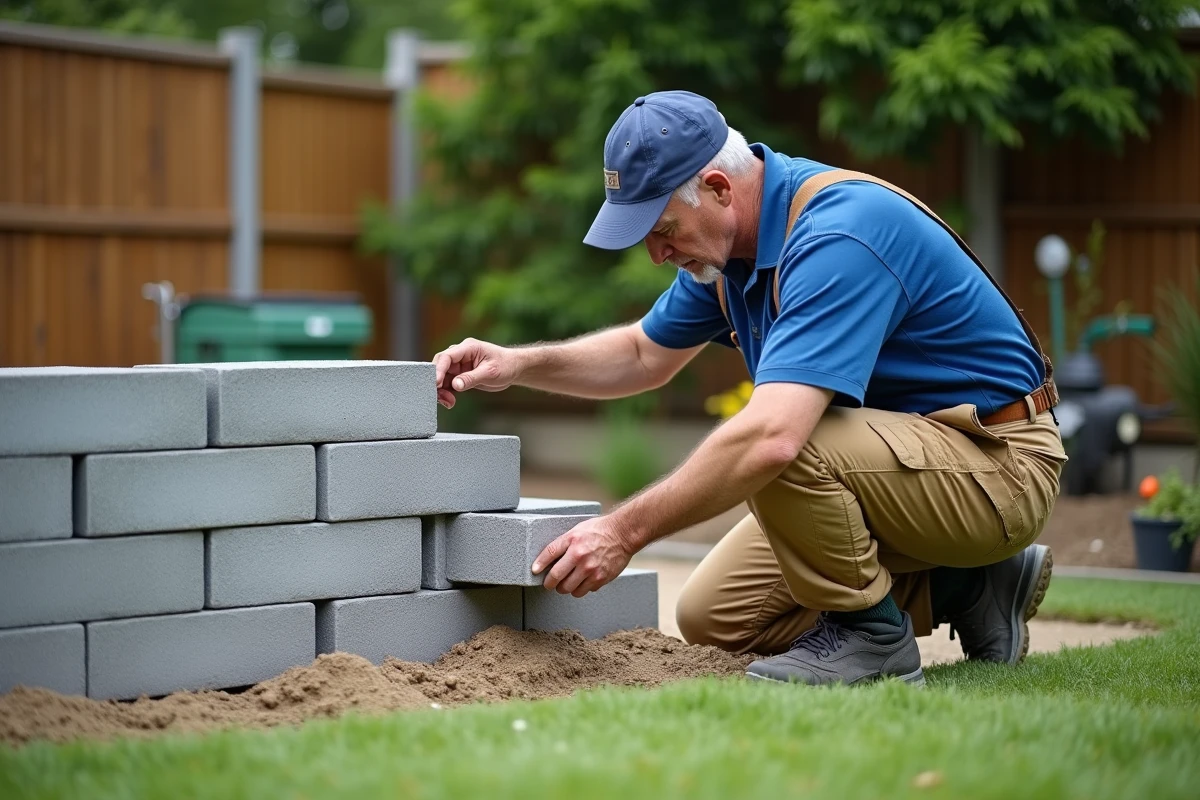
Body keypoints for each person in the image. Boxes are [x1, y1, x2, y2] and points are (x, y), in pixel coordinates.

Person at [433, 90, 1067, 687]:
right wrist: (517, 363)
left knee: (778, 438)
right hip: (915, 467)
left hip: (998, 463)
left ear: (716, 188)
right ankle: (970, 586)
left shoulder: (836, 237)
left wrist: (621, 532)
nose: (656, 254)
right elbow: (641, 353)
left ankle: (872, 637)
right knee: (716, 618)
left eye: (662, 228)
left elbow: (773, 439)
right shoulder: (727, 257)